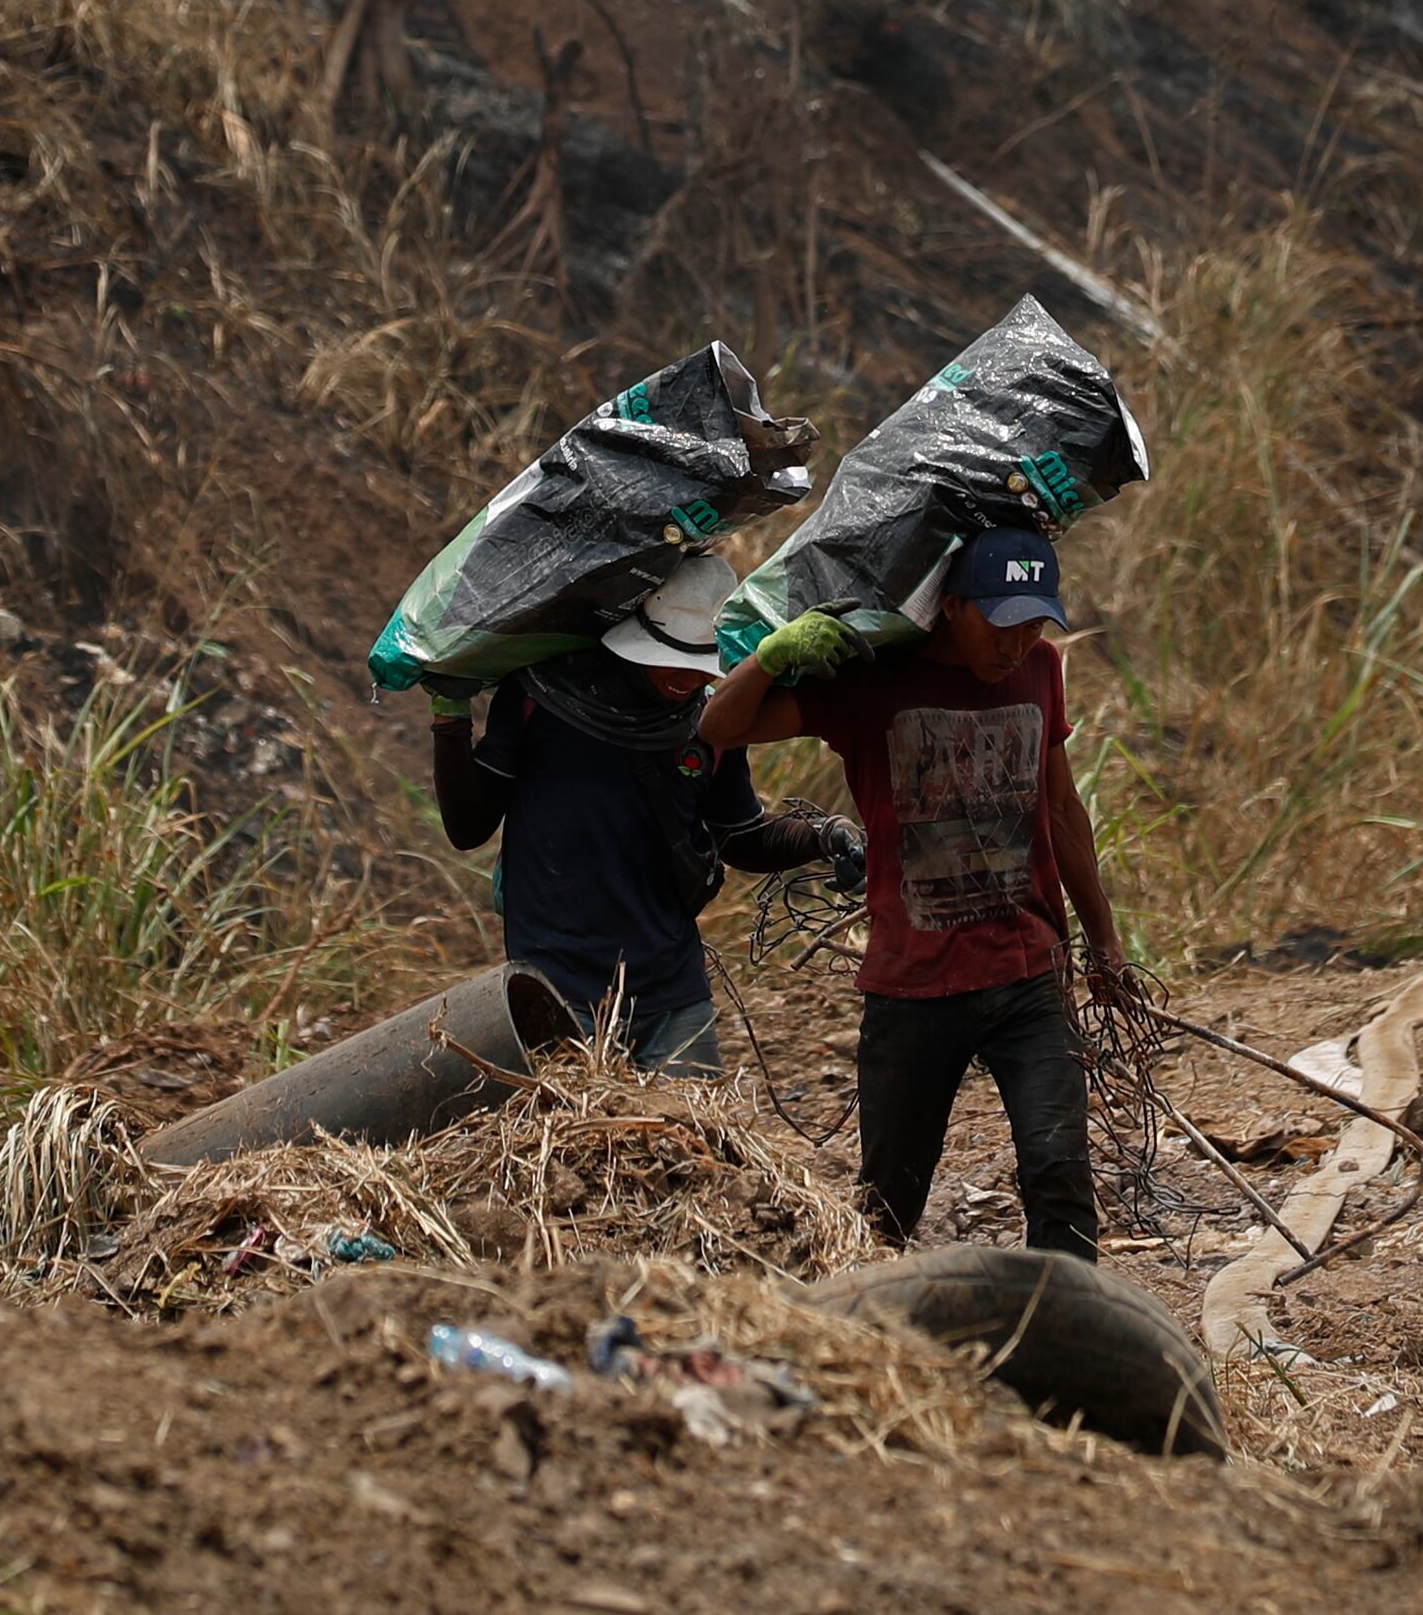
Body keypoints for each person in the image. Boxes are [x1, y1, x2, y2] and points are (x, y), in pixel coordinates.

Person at [695, 525, 1138, 1260]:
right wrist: (772, 657)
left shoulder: (1040, 669)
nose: (1016, 641)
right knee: (889, 1202)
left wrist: (1104, 939)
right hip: (914, 988)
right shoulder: (873, 681)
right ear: (953, 606)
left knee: (1059, 1173)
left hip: (1029, 972)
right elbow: (718, 725)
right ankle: (877, 1344)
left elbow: (1061, 808)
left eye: (1034, 621)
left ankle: (1068, 1339)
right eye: (1001, 622)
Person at [429, 553, 854, 1072]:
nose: (686, 678)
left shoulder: (711, 723)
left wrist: (824, 836)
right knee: (575, 1150)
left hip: (670, 992)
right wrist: (449, 721)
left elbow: (740, 836)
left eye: (700, 667)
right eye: (672, 660)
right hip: (555, 989)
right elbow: (468, 827)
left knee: (696, 1149)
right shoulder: (543, 698)